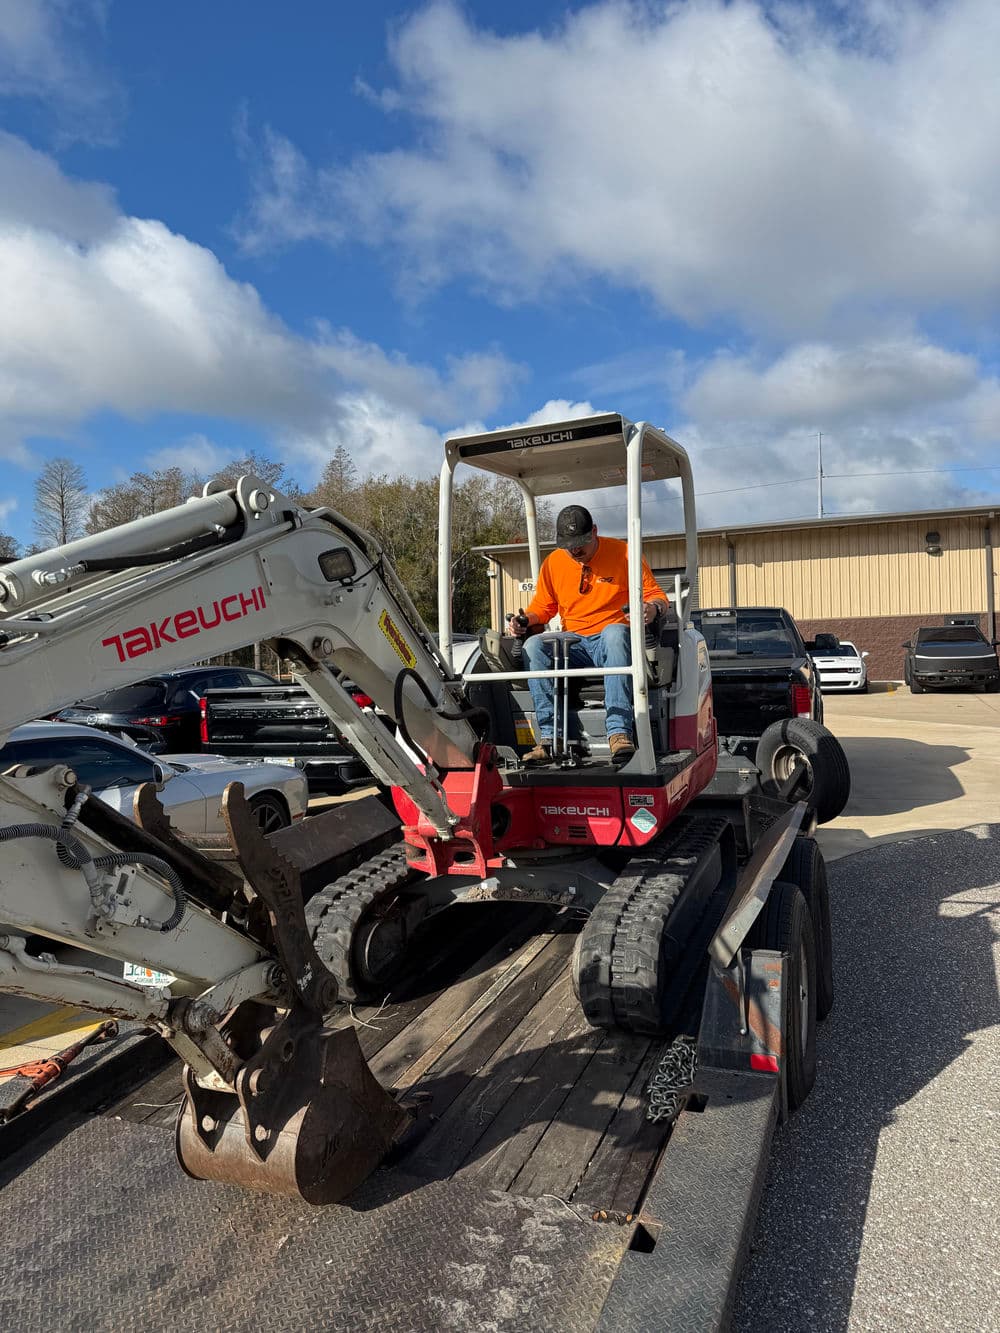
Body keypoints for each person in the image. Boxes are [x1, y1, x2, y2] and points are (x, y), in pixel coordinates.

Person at [511, 504, 668, 764]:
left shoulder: (625, 553)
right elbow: (544, 607)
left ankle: (619, 733)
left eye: (581, 543)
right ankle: (550, 737)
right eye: (569, 545)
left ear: (594, 531)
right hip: (572, 642)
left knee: (616, 633)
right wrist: (525, 620)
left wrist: (652, 608)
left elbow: (655, 595)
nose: (575, 551)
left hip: (610, 640)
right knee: (533, 646)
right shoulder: (553, 563)